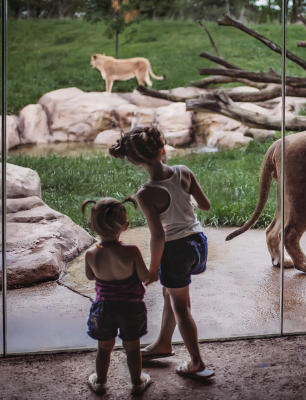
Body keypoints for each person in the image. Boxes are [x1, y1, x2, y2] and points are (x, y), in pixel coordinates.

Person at [109, 127, 215, 380]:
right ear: (162, 149)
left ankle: (197, 362)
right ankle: (164, 343)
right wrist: (185, 200)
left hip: (175, 250)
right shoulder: (184, 172)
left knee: (181, 306)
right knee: (171, 292)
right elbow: (205, 205)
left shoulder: (146, 194)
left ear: (134, 161)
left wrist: (153, 268)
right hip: (198, 243)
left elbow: (158, 236)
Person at [82, 197, 153, 395]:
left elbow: (89, 276)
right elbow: (145, 276)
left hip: (104, 308)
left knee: (104, 348)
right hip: (131, 309)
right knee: (132, 348)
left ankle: (101, 382)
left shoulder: (91, 254)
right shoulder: (131, 251)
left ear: (91, 226)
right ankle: (137, 382)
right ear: (125, 225)